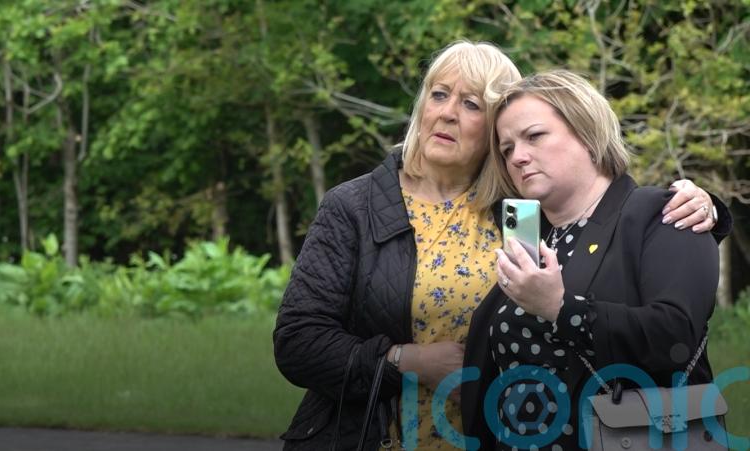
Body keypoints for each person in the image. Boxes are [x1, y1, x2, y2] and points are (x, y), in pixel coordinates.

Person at [274, 41, 724, 451]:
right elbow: (298, 341)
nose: (448, 113)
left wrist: (707, 209)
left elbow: (612, 219)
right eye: (438, 94)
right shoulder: (355, 206)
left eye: (471, 104)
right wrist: (405, 361)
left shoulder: (519, 214)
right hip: (379, 437)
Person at [461, 70, 726, 450]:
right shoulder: (532, 240)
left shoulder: (665, 213)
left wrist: (560, 308)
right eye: (506, 149)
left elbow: (674, 336)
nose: (517, 157)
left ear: (587, 131)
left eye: (534, 136)